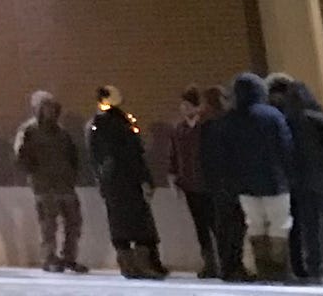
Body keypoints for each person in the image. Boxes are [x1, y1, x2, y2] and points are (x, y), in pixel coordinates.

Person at [204, 72, 295, 282]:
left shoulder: (228, 120)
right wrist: (288, 174)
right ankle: (279, 268)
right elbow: (285, 147)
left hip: (244, 185)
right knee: (279, 224)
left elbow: (223, 155)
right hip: (274, 182)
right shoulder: (272, 116)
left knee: (255, 224)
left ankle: (262, 267)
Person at [272, 78, 323, 287]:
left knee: (309, 228)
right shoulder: (317, 118)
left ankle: (314, 269)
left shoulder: (286, 120)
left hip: (301, 181)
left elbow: (284, 151)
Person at [93, 90, 166, 280]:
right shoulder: (120, 124)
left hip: (114, 184)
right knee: (139, 225)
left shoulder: (99, 126)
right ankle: (141, 265)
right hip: (127, 182)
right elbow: (135, 155)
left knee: (121, 226)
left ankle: (129, 265)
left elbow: (97, 157)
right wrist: (145, 179)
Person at [17, 90, 86, 273]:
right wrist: (34, 173)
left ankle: (69, 257)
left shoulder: (61, 132)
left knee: (74, 221)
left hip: (64, 184)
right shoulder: (30, 130)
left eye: (52, 107)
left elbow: (72, 155)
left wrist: (72, 174)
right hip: (44, 185)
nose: (50, 111)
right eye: (46, 107)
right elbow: (21, 156)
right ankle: (49, 258)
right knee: (48, 224)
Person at [170, 87, 226, 278]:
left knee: (215, 224)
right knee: (200, 226)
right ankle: (209, 262)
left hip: (208, 183)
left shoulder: (206, 126)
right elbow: (174, 156)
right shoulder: (179, 129)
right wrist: (175, 178)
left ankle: (224, 260)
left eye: (187, 105)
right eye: (182, 105)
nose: (184, 109)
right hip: (189, 185)